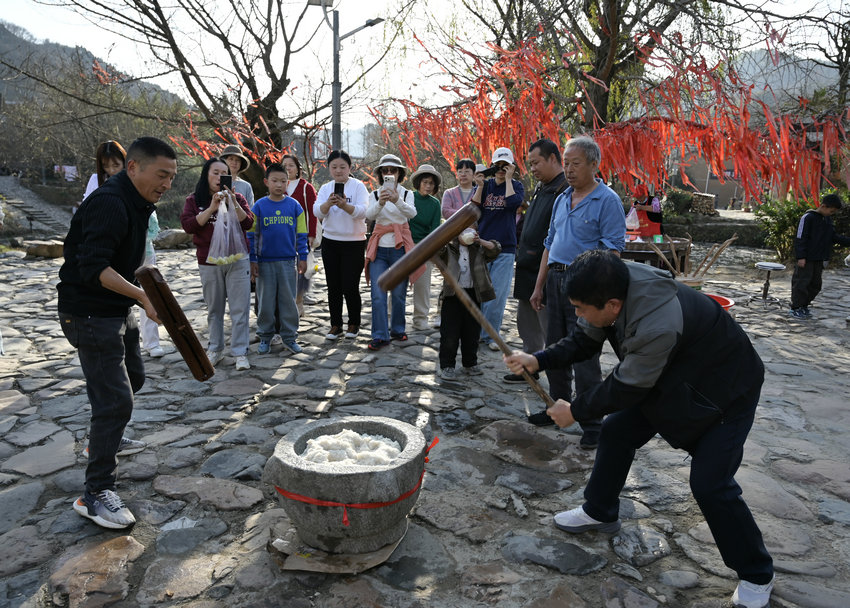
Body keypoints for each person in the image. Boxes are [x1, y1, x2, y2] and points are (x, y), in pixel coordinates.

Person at [505, 250, 775, 608]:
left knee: (711, 484)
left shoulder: (656, 321)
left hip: (726, 391)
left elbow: (627, 386)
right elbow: (584, 341)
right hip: (669, 378)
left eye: (582, 309)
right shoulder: (608, 285)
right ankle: (599, 511)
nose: (579, 315)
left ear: (613, 305)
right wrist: (538, 359)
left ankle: (757, 573)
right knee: (618, 431)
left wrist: (576, 410)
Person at [58, 137, 176, 529]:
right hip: (88, 313)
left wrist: (146, 293)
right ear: (133, 168)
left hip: (113, 308)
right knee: (115, 401)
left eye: (172, 177)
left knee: (133, 379)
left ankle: (104, 439)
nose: (167, 184)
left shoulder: (139, 200)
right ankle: (94, 493)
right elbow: (94, 267)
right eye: (161, 175)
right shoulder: (111, 201)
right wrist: (144, 297)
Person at [527, 136, 625, 449]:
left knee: (584, 356)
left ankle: (593, 423)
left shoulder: (607, 200)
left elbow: (613, 252)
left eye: (575, 163)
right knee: (555, 348)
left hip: (585, 286)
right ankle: (557, 407)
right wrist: (539, 285)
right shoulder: (561, 198)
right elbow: (549, 245)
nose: (568, 169)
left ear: (594, 165)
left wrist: (591, 288)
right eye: (566, 163)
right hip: (555, 281)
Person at [83, 141, 164, 358]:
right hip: (114, 249)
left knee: (149, 290)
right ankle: (121, 341)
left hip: (142, 245)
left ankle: (152, 342)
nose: (111, 170)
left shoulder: (136, 179)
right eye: (106, 166)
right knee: (122, 291)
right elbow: (87, 210)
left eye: (115, 164)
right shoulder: (97, 182)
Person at [181, 157, 254, 370]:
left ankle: (240, 352)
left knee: (240, 308)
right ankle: (215, 348)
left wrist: (232, 202)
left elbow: (248, 222)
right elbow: (189, 225)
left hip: (238, 260)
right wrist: (212, 207)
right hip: (209, 261)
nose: (220, 177)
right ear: (206, 175)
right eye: (215, 172)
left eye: (225, 173)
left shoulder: (238, 198)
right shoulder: (194, 200)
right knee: (215, 308)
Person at [504, 138, 567, 383]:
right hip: (527, 265)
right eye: (530, 164)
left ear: (553, 158)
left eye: (536, 162)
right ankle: (531, 364)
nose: (533, 169)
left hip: (546, 268)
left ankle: (555, 375)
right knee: (527, 322)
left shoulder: (563, 189)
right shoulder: (543, 186)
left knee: (548, 325)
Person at [247, 163, 308, 355]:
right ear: (266, 182)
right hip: (265, 262)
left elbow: (302, 234)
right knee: (265, 301)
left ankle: (289, 337)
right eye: (275, 181)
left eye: (283, 181)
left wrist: (303, 256)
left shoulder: (294, 206)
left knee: (288, 301)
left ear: (288, 182)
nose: (279, 185)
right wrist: (253, 259)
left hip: (288, 261)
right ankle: (265, 336)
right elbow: (252, 235)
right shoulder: (259, 206)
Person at [470, 147, 525, 351]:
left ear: (512, 167)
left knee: (497, 294)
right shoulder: (486, 185)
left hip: (506, 247)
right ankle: (476, 332)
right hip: (482, 245)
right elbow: (473, 210)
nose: (501, 170)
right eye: (498, 166)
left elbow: (512, 204)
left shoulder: (517, 186)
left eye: (506, 166)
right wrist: (480, 186)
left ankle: (491, 335)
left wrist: (509, 179)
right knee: (479, 291)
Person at [313, 150, 369, 340]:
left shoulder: (358, 186)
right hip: (331, 243)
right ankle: (335, 325)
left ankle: (354, 323)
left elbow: (363, 211)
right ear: (329, 168)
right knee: (333, 286)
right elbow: (317, 212)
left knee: (350, 285)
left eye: (342, 167)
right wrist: (328, 204)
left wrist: (345, 205)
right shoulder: (325, 188)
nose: (338, 171)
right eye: (334, 167)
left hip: (354, 242)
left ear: (349, 168)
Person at [365, 154, 419, 350]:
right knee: (378, 294)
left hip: (399, 248)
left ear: (399, 173)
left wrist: (397, 201)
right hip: (379, 249)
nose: (389, 174)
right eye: (385, 170)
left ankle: (397, 329)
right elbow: (368, 215)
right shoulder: (375, 194)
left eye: (393, 170)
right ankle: (380, 335)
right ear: (380, 174)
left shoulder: (406, 194)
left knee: (398, 293)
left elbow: (412, 213)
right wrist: (380, 203)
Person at [437, 228, 501, 381]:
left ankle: (470, 363)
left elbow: (496, 249)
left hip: (473, 294)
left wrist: (480, 241)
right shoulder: (449, 248)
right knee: (449, 333)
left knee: (472, 332)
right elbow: (436, 251)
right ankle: (447, 365)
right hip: (453, 294)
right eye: (463, 231)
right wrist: (448, 236)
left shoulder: (478, 249)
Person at [789, 193, 850, 319]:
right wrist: (801, 256)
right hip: (806, 258)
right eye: (831, 211)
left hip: (819, 258)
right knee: (801, 283)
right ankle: (796, 307)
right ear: (823, 206)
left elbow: (833, 237)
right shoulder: (808, 217)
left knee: (816, 284)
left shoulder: (827, 220)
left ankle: (804, 305)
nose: (831, 214)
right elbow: (801, 237)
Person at [282, 154, 318, 314]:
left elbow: (312, 212)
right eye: (284, 165)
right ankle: (287, 302)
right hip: (281, 235)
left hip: (301, 234)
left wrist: (310, 234)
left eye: (291, 165)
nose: (288, 168)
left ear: (298, 169)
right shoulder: (278, 185)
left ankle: (299, 301)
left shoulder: (306, 187)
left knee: (301, 268)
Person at [408, 164, 443, 330]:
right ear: (418, 182)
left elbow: (435, 229)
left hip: (425, 247)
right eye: (425, 182)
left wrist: (427, 249)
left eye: (431, 183)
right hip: (405, 246)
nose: (428, 186)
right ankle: (392, 317)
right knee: (398, 284)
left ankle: (420, 318)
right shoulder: (408, 197)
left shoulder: (435, 204)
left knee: (423, 285)